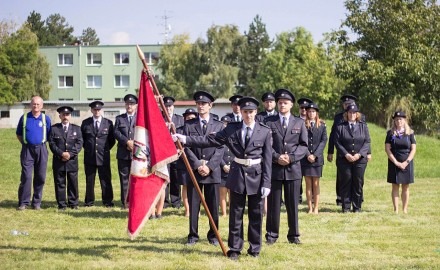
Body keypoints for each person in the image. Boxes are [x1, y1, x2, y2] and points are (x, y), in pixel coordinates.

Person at [172, 96, 272, 260]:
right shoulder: (232, 129)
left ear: (256, 112)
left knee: (255, 214)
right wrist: (186, 139)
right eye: (245, 112)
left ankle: (254, 248)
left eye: (251, 112)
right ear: (241, 111)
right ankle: (235, 247)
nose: (248, 115)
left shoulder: (265, 131)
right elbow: (210, 140)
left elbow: (267, 159)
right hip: (238, 174)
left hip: (256, 175)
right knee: (236, 214)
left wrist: (266, 182)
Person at [264, 88, 308, 245]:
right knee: (274, 204)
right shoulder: (269, 122)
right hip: (275, 169)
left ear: (291, 105)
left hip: (293, 169)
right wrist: (276, 157)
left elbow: (303, 146)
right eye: (280, 102)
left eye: (285, 103)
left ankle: (294, 235)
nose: (282, 105)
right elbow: (266, 144)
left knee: (292, 204)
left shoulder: (299, 122)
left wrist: (291, 157)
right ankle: (271, 235)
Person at [182, 91, 224, 246]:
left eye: (203, 104)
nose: (200, 106)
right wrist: (198, 165)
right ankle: (193, 235)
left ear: (210, 106)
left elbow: (220, 148)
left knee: (213, 205)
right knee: (194, 205)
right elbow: (185, 147)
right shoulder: (189, 125)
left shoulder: (219, 125)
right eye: (198, 104)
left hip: (212, 171)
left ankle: (213, 235)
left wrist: (210, 166)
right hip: (195, 170)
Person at [328, 94, 370, 205]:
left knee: (358, 179)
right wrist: (330, 151)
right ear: (343, 106)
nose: (348, 106)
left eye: (350, 104)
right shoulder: (338, 117)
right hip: (343, 153)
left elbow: (365, 138)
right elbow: (334, 136)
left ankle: (358, 200)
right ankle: (341, 199)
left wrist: (367, 152)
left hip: (359, 154)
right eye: (346, 104)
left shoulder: (361, 118)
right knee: (343, 178)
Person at [16, 96, 51, 210]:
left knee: (40, 176)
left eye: (38, 104)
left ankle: (36, 203)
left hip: (41, 149)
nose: (35, 106)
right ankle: (23, 202)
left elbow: (49, 134)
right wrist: (26, 143)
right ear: (31, 105)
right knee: (26, 176)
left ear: (42, 106)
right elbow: (19, 134)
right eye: (34, 104)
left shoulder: (46, 119)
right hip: (27, 150)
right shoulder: (25, 118)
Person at [81, 101, 116, 207]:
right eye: (95, 109)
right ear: (91, 110)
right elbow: (82, 139)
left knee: (105, 179)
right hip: (90, 156)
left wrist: (104, 149)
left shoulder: (108, 123)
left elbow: (112, 140)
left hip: (103, 156)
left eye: (98, 109)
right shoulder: (85, 123)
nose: (97, 111)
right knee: (90, 180)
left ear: (101, 110)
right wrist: (89, 149)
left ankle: (108, 201)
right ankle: (89, 201)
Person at [48, 106, 83, 210]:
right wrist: (61, 154)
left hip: (72, 161)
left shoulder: (77, 128)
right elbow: (52, 144)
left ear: (70, 116)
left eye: (67, 115)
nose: (65, 117)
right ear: (60, 116)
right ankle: (62, 204)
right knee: (60, 182)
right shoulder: (54, 129)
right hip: (59, 160)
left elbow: (79, 143)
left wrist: (70, 154)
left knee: (73, 182)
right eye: (63, 115)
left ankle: (73, 203)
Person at [385, 111, 416, 214]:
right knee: (395, 186)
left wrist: (406, 162)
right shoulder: (390, 133)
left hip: (407, 162)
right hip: (394, 162)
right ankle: (396, 210)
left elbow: (413, 149)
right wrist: (396, 162)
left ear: (404, 120)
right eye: (397, 119)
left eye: (401, 119)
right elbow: (387, 149)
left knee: (405, 187)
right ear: (394, 121)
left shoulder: (410, 133)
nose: (399, 121)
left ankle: (405, 209)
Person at [300, 103, 327, 214]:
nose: (311, 113)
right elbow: (300, 141)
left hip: (317, 159)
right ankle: (310, 208)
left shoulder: (321, 125)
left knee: (316, 184)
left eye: (313, 111)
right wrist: (307, 154)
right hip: (306, 159)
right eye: (309, 111)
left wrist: (315, 155)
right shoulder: (302, 124)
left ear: (316, 113)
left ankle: (316, 207)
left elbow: (323, 141)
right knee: (308, 184)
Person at [114, 94, 138, 209]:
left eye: (132, 104)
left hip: (137, 153)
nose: (129, 106)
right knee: (124, 179)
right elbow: (116, 132)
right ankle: (125, 202)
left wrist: (134, 143)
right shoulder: (119, 118)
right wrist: (126, 142)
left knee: (137, 178)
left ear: (136, 105)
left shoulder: (140, 118)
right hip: (123, 153)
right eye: (127, 104)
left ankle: (136, 201)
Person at [163, 96, 185, 209]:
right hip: (163, 153)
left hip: (176, 152)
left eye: (170, 106)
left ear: (173, 106)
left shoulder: (180, 119)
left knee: (176, 177)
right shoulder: (159, 118)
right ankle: (165, 201)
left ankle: (176, 201)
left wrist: (180, 149)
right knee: (165, 176)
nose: (168, 108)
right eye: (166, 106)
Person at [176, 108, 198, 217]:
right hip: (183, 163)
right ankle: (188, 210)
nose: (190, 119)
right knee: (185, 186)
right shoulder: (179, 130)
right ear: (184, 119)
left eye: (192, 118)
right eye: (188, 118)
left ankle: (196, 210)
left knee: (197, 187)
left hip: (196, 163)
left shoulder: (198, 130)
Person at [297, 97, 313, 203]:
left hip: (309, 155)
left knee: (309, 178)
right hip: (297, 153)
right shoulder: (295, 120)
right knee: (297, 177)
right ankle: (298, 196)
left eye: (306, 108)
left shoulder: (313, 122)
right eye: (302, 108)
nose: (304, 110)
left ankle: (310, 197)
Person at [219, 115, 234, 217]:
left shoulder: (235, 138)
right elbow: (217, 154)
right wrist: (223, 165)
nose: (225, 125)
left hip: (233, 170)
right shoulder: (219, 138)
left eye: (228, 124)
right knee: (222, 194)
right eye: (224, 123)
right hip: (222, 170)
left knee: (232, 194)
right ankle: (224, 213)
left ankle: (232, 212)